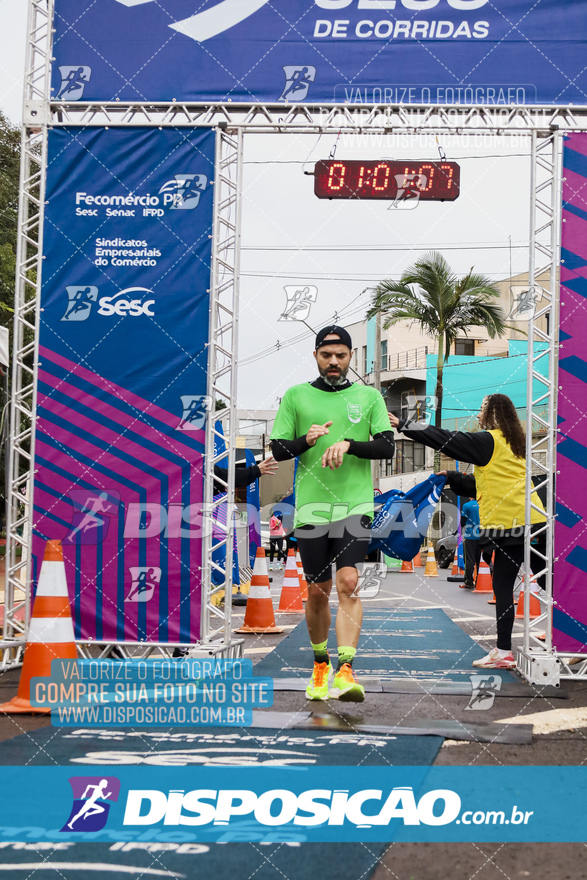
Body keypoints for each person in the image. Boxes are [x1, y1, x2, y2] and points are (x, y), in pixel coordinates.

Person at [271, 325, 395, 701]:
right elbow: (277, 451)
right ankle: (320, 664)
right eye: (327, 356)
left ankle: (346, 669)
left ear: (350, 357)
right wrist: (304, 441)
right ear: (316, 357)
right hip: (311, 509)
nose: (334, 362)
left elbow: (387, 447)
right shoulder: (296, 396)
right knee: (318, 591)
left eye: (341, 356)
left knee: (348, 583)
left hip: (354, 506)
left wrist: (349, 444)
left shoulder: (369, 396)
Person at [389, 393, 546, 669]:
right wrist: (452, 478)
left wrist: (404, 424)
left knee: (503, 586)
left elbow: (444, 438)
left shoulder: (489, 440)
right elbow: (483, 485)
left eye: (482, 408)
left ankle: (504, 651)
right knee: (548, 582)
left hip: (511, 524)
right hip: (534, 520)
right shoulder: (515, 444)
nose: (478, 414)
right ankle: (573, 638)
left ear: (493, 414)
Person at [461, 497, 481, 589]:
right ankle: (482, 581)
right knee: (481, 560)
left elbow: (463, 522)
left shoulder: (466, 506)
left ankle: (469, 582)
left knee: (469, 559)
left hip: (470, 535)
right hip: (482, 535)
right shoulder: (482, 504)